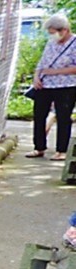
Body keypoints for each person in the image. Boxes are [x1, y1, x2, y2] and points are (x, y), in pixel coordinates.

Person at [27, 13, 76, 160]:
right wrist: (37, 77)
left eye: (54, 32)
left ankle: (61, 150)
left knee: (63, 117)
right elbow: (42, 62)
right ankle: (39, 147)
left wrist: (55, 72)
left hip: (66, 85)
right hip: (45, 84)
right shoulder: (51, 43)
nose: (53, 36)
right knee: (39, 114)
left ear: (64, 30)